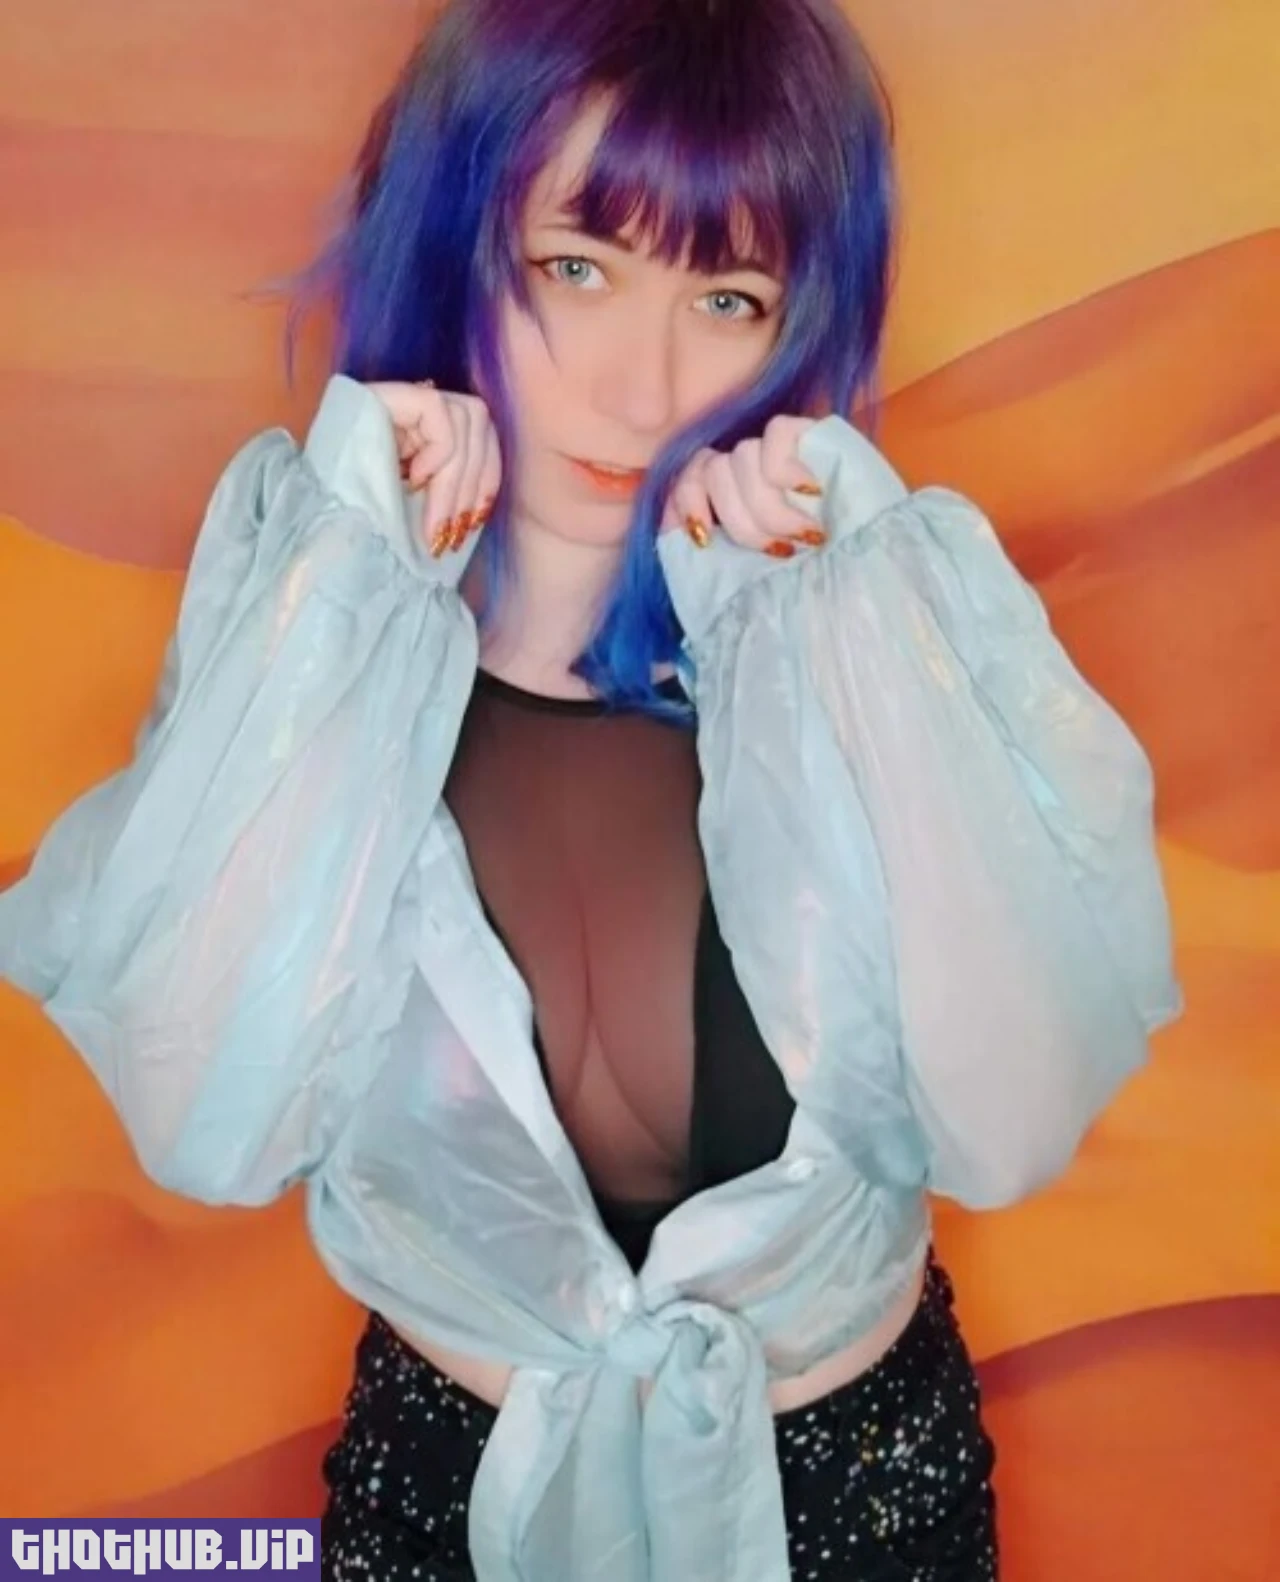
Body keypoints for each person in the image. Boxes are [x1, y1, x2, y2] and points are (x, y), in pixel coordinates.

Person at [0, 0, 1182, 1578]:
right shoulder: (319, 622)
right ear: (455, 244)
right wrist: (344, 597)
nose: (645, 386)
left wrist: (864, 624)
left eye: (729, 297)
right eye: (576, 268)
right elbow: (206, 1118)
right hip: (446, 1495)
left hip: (857, 1504)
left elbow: (1014, 1123)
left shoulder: (855, 623)